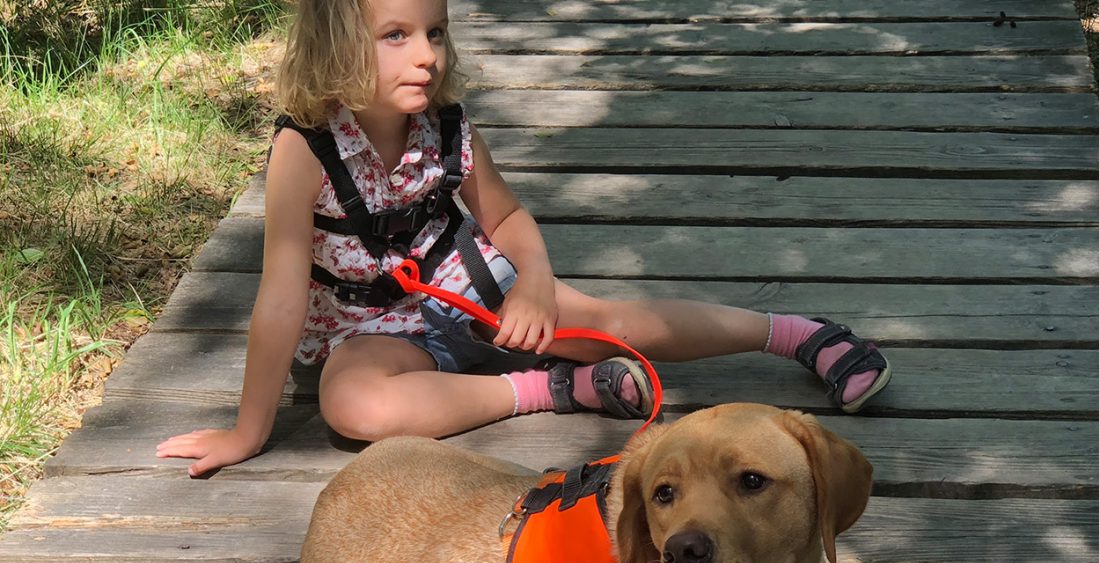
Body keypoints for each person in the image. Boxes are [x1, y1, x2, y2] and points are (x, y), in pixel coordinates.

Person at [156, 0, 891, 477]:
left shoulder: (446, 125)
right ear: (334, 47)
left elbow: (507, 220)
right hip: (374, 329)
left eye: (435, 33)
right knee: (352, 409)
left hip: (480, 289)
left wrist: (535, 284)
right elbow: (282, 298)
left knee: (608, 322)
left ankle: (796, 335)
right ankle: (552, 391)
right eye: (397, 36)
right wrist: (249, 430)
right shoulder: (304, 150)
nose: (427, 56)